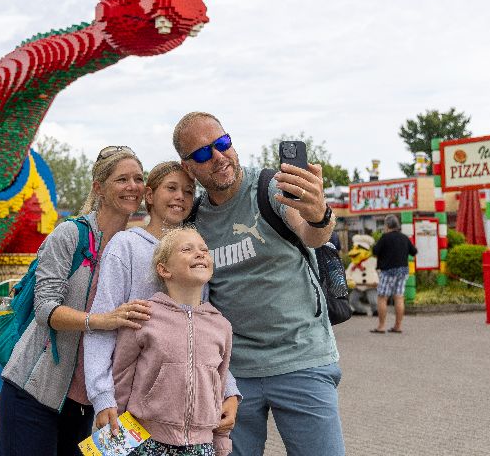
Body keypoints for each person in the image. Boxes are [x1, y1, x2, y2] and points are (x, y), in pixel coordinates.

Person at [172, 112, 344, 456]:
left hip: (301, 359)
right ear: (188, 166)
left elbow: (312, 235)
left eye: (223, 144)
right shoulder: (193, 219)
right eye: (204, 153)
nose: (219, 157)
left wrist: (318, 213)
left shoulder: (269, 187)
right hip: (234, 376)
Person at [0, 146, 152, 456]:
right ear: (99, 188)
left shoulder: (137, 246)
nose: (133, 187)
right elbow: (45, 309)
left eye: (138, 178)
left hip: (89, 402)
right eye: (122, 179)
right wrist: (101, 320)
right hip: (36, 390)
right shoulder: (71, 234)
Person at [85, 162, 240, 437]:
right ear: (149, 195)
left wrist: (228, 389)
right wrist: (102, 395)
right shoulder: (125, 246)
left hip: (183, 419)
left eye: (189, 191)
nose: (181, 196)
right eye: (171, 188)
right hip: (129, 406)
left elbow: (203, 333)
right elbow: (102, 324)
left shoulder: (196, 257)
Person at [113, 226, 233, 456]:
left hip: (201, 445)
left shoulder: (222, 326)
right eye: (187, 249)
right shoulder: (144, 316)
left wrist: (221, 443)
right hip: (145, 440)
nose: (200, 254)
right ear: (164, 269)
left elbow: (220, 382)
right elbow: (121, 378)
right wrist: (117, 439)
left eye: (204, 250)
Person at [371, 215, 416, 334]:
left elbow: (375, 251)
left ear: (387, 225)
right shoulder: (404, 238)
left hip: (388, 272)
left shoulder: (385, 238)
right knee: (399, 297)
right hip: (402, 271)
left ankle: (381, 326)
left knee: (382, 297)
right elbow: (414, 251)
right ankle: (398, 326)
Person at [345, 234, 378, 316]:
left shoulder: (372, 261)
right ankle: (361, 310)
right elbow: (347, 273)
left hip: (371, 285)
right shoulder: (353, 264)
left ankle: (376, 311)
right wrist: (349, 280)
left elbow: (379, 269)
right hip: (358, 286)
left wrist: (378, 280)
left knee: (373, 301)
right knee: (352, 300)